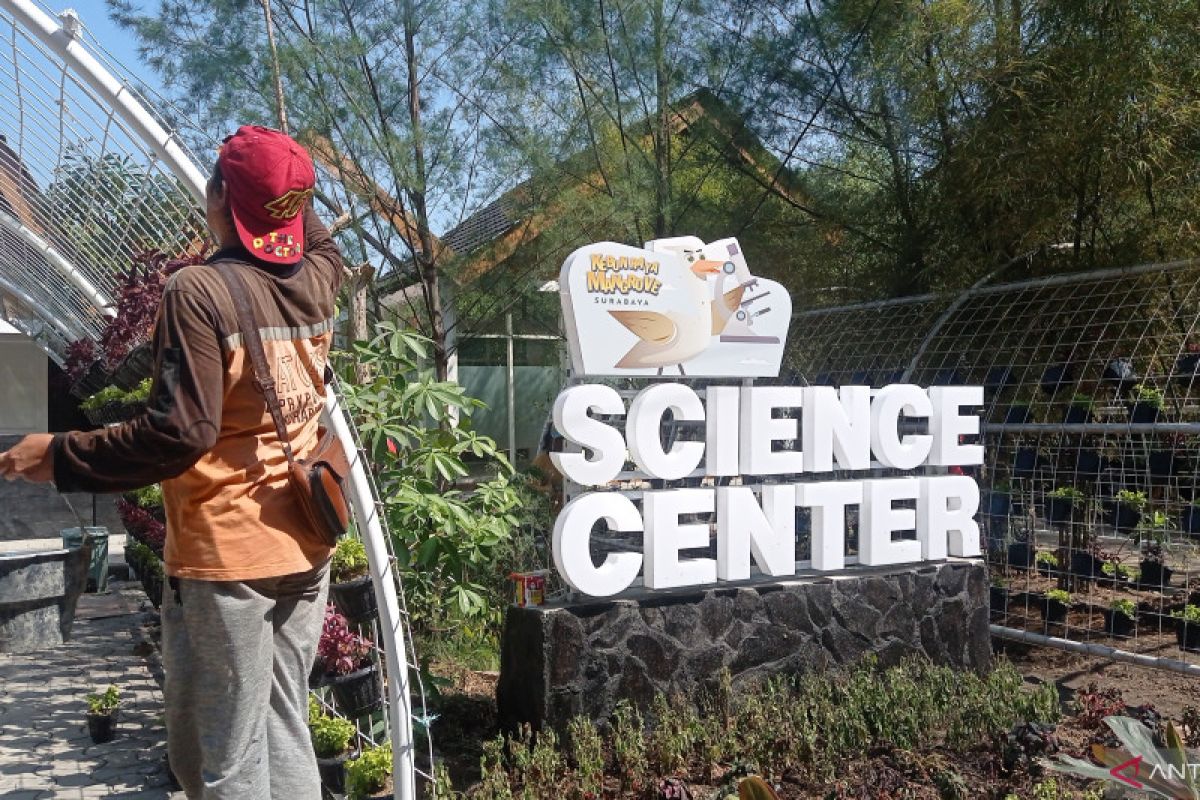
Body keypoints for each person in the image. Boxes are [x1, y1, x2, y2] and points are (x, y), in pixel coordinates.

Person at [0, 125, 344, 799]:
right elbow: (309, 223)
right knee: (283, 725)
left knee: (227, 756)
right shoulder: (320, 274)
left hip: (231, 556)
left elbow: (181, 434)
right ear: (295, 207)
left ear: (217, 197)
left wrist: (61, 456)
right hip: (308, 543)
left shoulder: (200, 292)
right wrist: (284, 175)